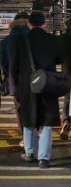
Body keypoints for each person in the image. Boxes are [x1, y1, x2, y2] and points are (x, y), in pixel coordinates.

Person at [11, 11, 64, 168]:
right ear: (45, 23)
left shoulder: (21, 41)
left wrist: (15, 87)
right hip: (47, 83)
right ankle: (44, 158)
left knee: (29, 119)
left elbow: (14, 66)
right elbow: (60, 58)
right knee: (47, 122)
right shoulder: (52, 40)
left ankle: (29, 152)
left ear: (29, 24)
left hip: (27, 85)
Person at [0, 12, 30, 147]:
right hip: (34, 79)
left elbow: (3, 63)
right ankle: (35, 131)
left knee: (19, 108)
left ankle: (25, 135)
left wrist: (7, 75)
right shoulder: (33, 36)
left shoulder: (6, 41)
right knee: (35, 106)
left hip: (15, 79)